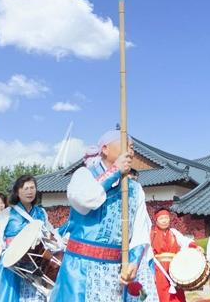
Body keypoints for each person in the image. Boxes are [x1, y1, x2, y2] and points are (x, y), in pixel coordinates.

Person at [48, 129, 152, 302]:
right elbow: (84, 201)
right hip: (81, 270)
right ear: (105, 149)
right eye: (127, 146)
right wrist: (114, 172)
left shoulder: (135, 189)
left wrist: (133, 262)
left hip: (116, 271)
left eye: (133, 147)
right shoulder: (84, 175)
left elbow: (141, 228)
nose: (131, 151)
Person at [0, 175, 51, 302]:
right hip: (13, 263)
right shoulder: (8, 212)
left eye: (32, 188)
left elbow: (50, 234)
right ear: (17, 192)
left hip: (36, 261)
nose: (30, 191)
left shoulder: (41, 213)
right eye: (25, 188)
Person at [149, 209, 196, 302]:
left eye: (166, 218)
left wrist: (193, 246)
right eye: (161, 218)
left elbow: (185, 241)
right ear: (156, 220)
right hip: (159, 269)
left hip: (174, 268)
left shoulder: (174, 232)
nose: (164, 220)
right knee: (162, 293)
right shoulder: (151, 233)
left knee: (177, 294)